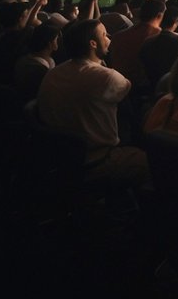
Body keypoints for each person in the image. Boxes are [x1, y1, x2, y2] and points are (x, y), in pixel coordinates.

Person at [36, 19, 148, 186]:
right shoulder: (105, 77)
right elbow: (126, 88)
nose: (108, 38)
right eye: (104, 34)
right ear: (93, 44)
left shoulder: (53, 73)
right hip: (97, 161)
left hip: (58, 159)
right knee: (154, 161)